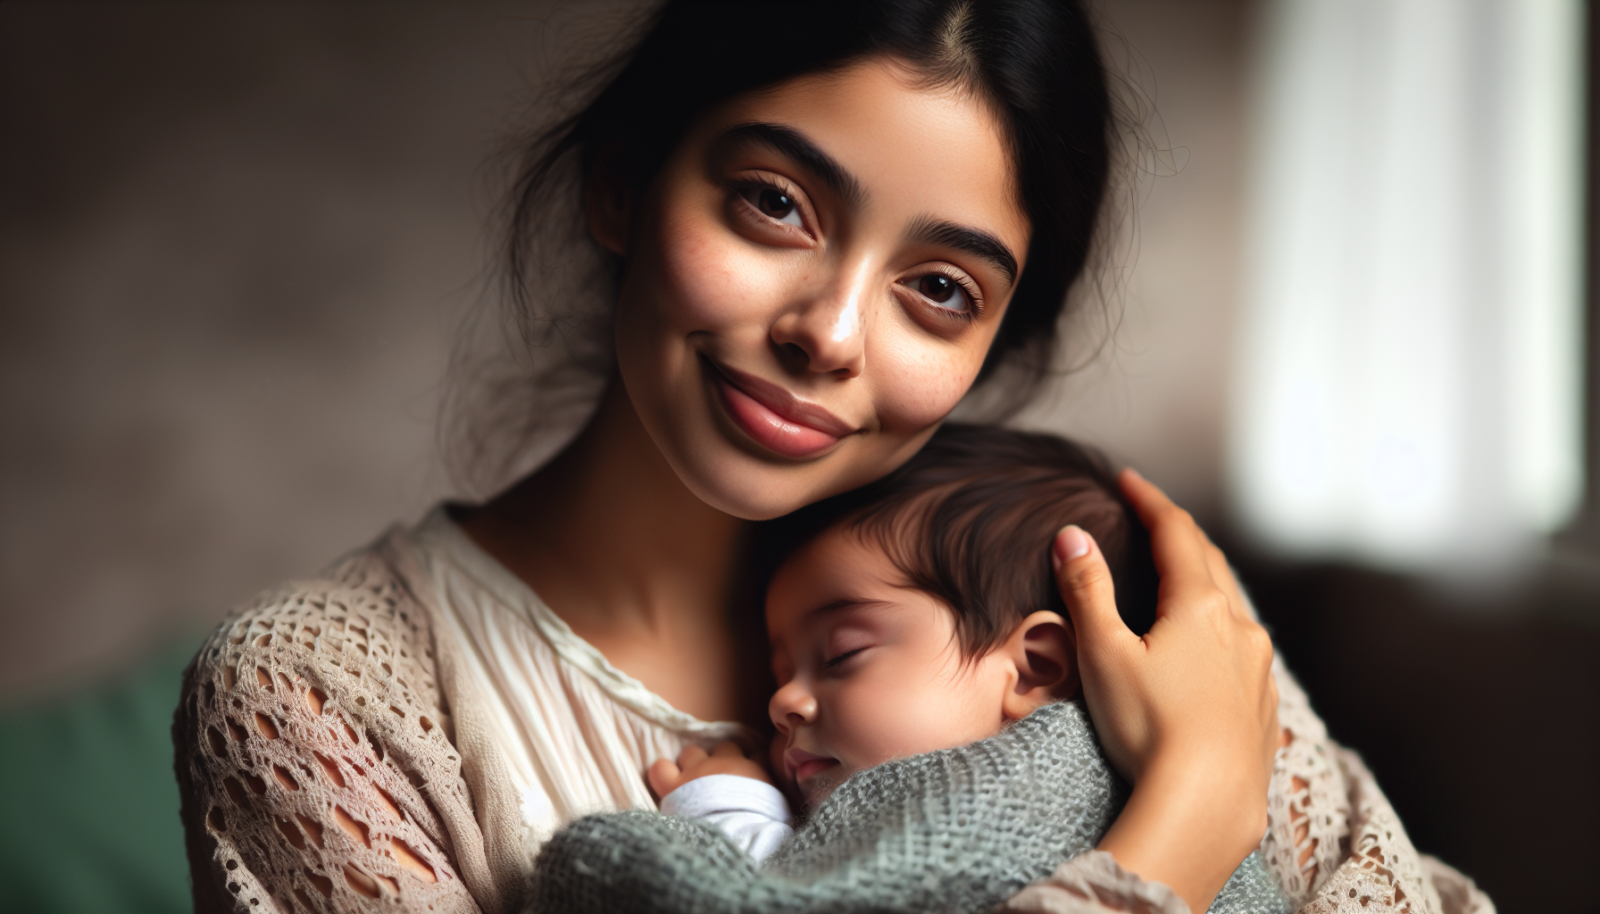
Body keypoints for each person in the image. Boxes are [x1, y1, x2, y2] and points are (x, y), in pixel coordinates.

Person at [172, 3, 1490, 913]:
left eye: (939, 289)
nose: (831, 333)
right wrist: (1191, 812)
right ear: (627, 179)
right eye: (775, 204)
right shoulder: (317, 702)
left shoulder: (1068, 578)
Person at [524, 425, 1293, 913]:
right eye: (780, 669)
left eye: (842, 654)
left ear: (1034, 668)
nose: (785, 701)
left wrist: (727, 814)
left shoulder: (1017, 792)